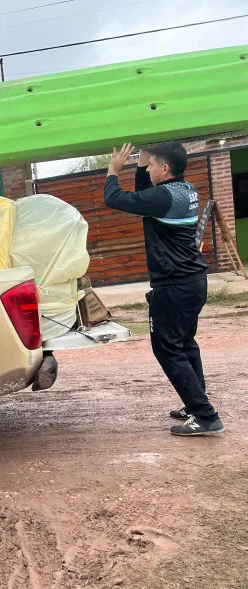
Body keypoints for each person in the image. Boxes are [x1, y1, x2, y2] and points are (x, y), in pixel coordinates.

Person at [104, 142, 225, 436]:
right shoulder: (185, 190)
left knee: (167, 348)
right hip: (193, 281)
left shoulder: (161, 197)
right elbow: (146, 191)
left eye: (151, 165)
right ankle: (195, 404)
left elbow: (114, 198)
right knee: (184, 343)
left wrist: (114, 169)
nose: (148, 169)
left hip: (173, 286)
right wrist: (145, 152)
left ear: (166, 168)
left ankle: (205, 416)